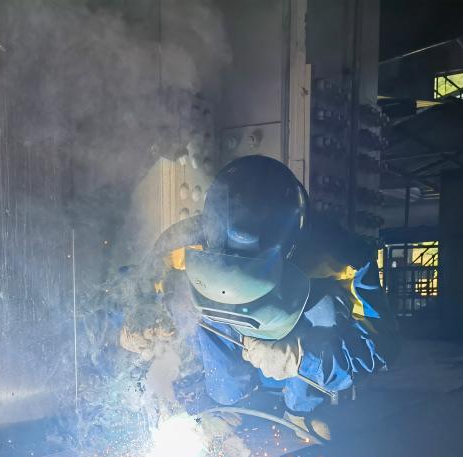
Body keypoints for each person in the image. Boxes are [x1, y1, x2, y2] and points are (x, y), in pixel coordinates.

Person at [150, 155, 398, 433]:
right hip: (231, 344)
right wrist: (137, 320)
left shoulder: (343, 257)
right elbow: (138, 288)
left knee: (325, 307)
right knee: (193, 299)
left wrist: (303, 358)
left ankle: (300, 409)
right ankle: (225, 405)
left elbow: (381, 346)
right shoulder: (184, 244)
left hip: (293, 345)